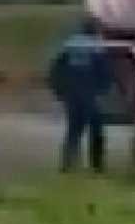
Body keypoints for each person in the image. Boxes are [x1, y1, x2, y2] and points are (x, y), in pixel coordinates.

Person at [48, 17, 112, 172]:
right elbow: (104, 71)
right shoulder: (96, 47)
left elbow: (55, 70)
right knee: (96, 129)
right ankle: (97, 165)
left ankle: (67, 164)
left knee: (74, 129)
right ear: (94, 30)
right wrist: (104, 90)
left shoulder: (69, 44)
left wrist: (59, 91)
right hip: (90, 93)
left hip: (71, 93)